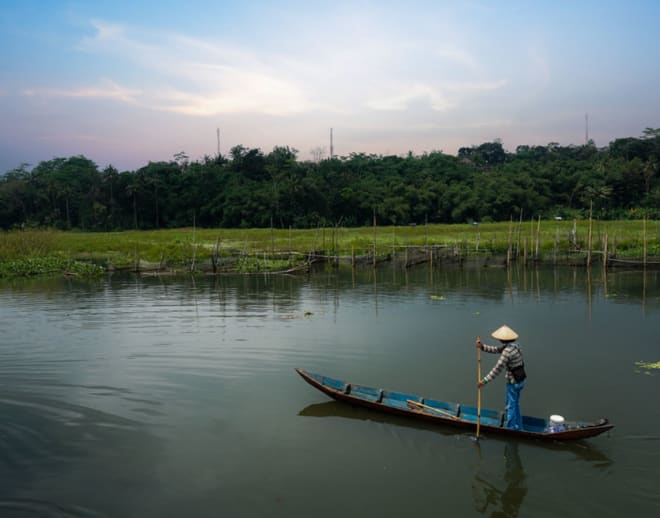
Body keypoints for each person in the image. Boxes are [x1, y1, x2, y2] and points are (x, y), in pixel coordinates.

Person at [477, 325, 527, 430]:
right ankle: (519, 426)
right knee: (515, 405)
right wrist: (482, 347)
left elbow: (497, 368)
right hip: (520, 380)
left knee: (510, 407)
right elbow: (496, 350)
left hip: (513, 382)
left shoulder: (507, 351)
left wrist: (484, 381)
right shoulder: (515, 345)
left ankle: (511, 428)